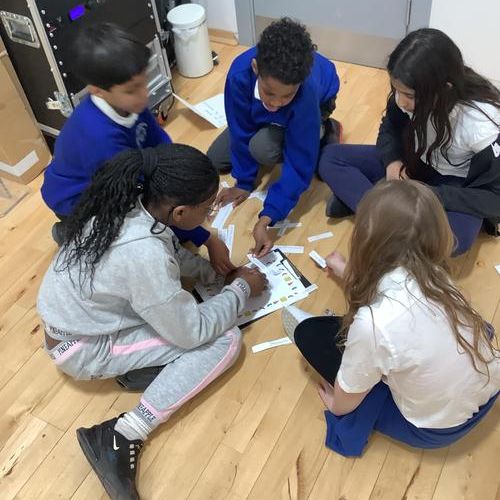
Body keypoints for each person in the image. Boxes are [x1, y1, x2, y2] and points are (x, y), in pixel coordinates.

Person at [37, 144, 267, 499]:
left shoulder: (132, 204)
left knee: (191, 309)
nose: (210, 215)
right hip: (83, 348)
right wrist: (240, 289)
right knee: (225, 340)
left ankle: (145, 368)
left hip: (76, 320)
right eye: (208, 209)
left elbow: (170, 251)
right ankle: (123, 433)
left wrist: (212, 273)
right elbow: (192, 331)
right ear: (180, 212)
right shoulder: (143, 255)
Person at [282, 180, 499, 457]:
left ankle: (313, 331)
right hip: (487, 391)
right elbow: (397, 289)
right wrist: (347, 273)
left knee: (312, 337)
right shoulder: (437, 275)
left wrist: (336, 406)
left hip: (436, 429)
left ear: (365, 242)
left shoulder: (373, 323)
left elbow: (350, 390)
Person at [41, 22, 233, 275]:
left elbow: (162, 148)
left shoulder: (129, 103)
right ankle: (70, 232)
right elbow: (142, 203)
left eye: (144, 82)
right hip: (77, 200)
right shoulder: (99, 138)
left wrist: (188, 185)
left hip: (121, 177)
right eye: (132, 90)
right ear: (98, 90)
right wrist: (205, 237)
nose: (144, 95)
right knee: (124, 245)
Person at [319, 28, 500, 255]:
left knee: (455, 241)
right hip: (413, 162)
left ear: (444, 89)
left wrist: (429, 194)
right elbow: (389, 129)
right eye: (396, 90)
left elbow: (494, 198)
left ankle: (374, 207)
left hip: (455, 185)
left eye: (410, 96)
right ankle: (389, 213)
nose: (401, 101)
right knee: (331, 157)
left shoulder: (481, 125)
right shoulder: (406, 93)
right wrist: (393, 163)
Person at [207, 17, 341, 257]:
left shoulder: (305, 92)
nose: (276, 102)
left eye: (286, 96)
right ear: (255, 68)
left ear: (298, 85)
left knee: (262, 148)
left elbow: (298, 162)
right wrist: (244, 182)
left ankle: (325, 129)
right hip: (266, 112)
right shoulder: (239, 75)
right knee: (215, 159)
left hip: (318, 104)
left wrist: (268, 216)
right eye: (269, 92)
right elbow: (239, 127)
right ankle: (275, 122)